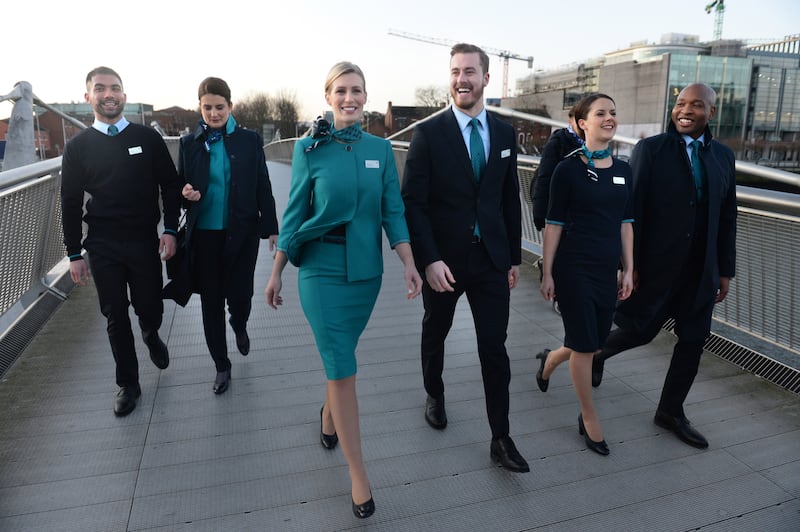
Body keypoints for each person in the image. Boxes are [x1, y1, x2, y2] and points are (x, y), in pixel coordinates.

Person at [265, 61, 422, 519]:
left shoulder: (380, 149)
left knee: (341, 363)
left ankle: (328, 413)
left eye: (357, 91)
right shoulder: (309, 149)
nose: (349, 98)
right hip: (319, 271)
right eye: (341, 91)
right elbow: (294, 214)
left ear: (366, 97)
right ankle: (359, 475)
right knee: (341, 363)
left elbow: (393, 211)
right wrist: (276, 272)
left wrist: (409, 263)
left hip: (365, 276)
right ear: (328, 96)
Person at [401, 43, 529, 473]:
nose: (461, 79)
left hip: (492, 260)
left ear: (486, 79)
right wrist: (429, 260)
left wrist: (513, 258)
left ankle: (500, 436)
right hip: (445, 262)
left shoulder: (506, 134)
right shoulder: (429, 133)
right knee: (435, 331)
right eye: (455, 71)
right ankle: (433, 393)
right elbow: (413, 204)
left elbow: (508, 199)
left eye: (470, 71)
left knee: (495, 348)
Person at [590, 83, 737, 449]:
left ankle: (670, 411)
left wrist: (725, 269)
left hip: (701, 269)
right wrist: (630, 264)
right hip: (656, 266)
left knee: (692, 341)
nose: (686, 110)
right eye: (680, 104)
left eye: (697, 105)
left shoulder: (723, 157)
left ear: (711, 113)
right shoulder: (651, 149)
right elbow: (632, 208)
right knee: (639, 330)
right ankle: (593, 354)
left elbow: (728, 216)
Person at [60, 66, 181, 416]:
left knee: (150, 307)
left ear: (124, 96)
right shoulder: (78, 148)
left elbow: (171, 186)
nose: (108, 94)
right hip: (102, 245)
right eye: (100, 88)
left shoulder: (147, 138)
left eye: (114, 88)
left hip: (144, 240)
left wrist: (170, 229)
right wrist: (73, 253)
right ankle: (128, 384)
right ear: (88, 98)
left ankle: (150, 330)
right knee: (115, 316)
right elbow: (69, 202)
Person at [536, 93, 634, 456]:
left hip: (606, 268)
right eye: (600, 113)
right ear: (582, 123)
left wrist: (629, 269)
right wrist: (547, 273)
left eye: (613, 112)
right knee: (586, 345)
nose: (609, 118)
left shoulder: (624, 170)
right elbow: (554, 223)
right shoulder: (568, 169)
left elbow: (626, 223)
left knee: (590, 342)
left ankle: (549, 361)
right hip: (573, 267)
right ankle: (589, 417)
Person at [171, 77, 278, 395]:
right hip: (204, 237)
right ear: (200, 107)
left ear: (230, 106)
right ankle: (221, 365)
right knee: (211, 303)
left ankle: (240, 324)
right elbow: (179, 186)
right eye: (208, 107)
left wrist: (270, 226)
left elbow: (262, 182)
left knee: (241, 297)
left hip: (242, 232)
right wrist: (184, 193)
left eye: (220, 107)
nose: (214, 113)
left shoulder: (249, 140)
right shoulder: (189, 143)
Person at [531, 105, 584, 232]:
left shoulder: (592, 144)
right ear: (571, 121)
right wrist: (539, 211)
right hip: (560, 211)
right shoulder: (558, 142)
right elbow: (544, 176)